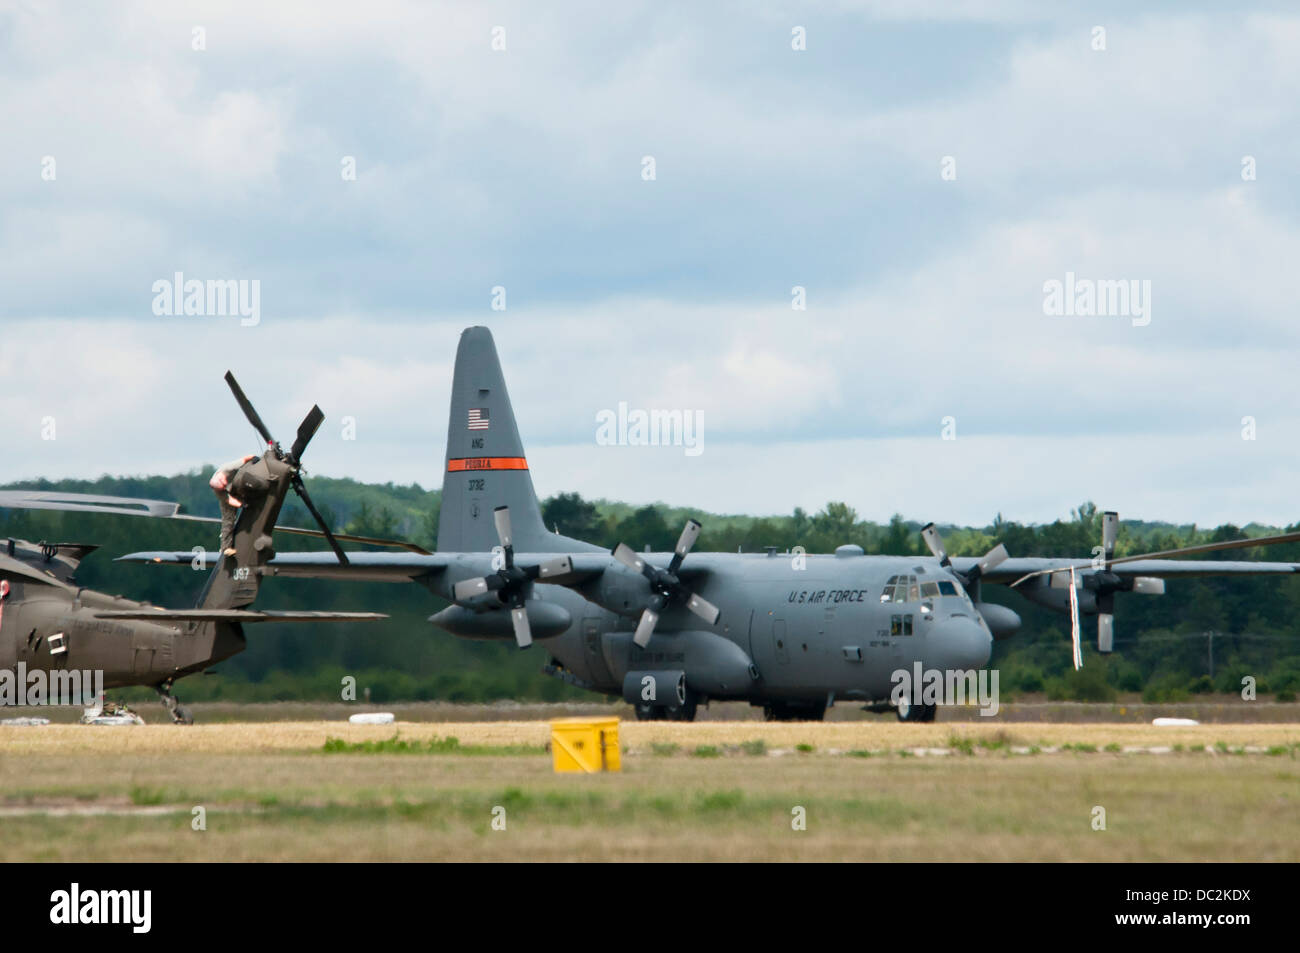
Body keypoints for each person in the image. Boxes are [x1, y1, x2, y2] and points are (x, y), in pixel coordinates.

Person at [209, 455, 255, 556]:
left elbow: (244, 459)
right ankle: (226, 548)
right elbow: (229, 500)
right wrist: (242, 505)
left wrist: (254, 458)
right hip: (230, 494)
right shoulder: (218, 491)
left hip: (240, 485)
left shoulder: (228, 468)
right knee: (228, 520)